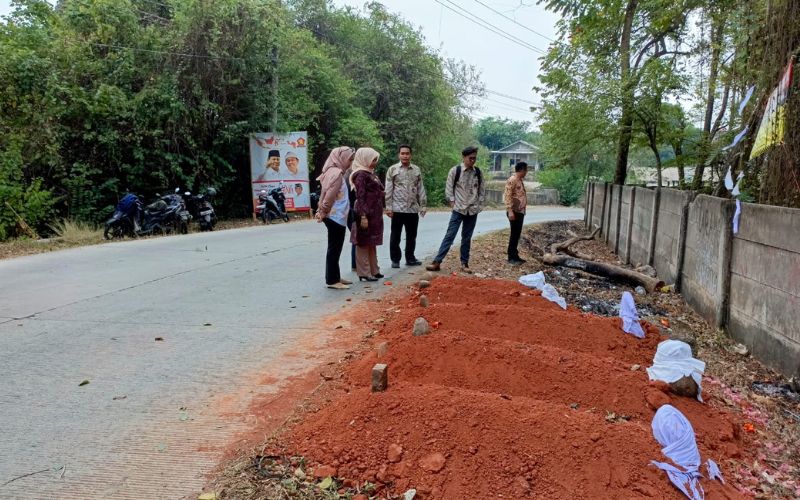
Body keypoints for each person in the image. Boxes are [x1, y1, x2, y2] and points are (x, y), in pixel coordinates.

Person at [426, 146, 486, 274]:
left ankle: (465, 263)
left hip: (472, 210)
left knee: (467, 237)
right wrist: (453, 203)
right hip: (458, 210)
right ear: (464, 157)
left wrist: (479, 206)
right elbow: (448, 189)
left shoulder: (478, 172)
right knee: (450, 235)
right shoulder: (455, 171)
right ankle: (437, 261)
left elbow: (482, 191)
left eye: (474, 158)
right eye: (470, 158)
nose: (472, 161)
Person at [315, 146, 356, 290]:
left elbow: (324, 193)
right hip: (335, 216)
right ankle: (332, 280)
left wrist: (321, 210)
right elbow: (329, 195)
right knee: (334, 248)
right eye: (349, 159)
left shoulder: (330, 171)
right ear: (341, 157)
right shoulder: (337, 174)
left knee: (335, 248)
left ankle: (335, 276)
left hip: (334, 215)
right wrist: (324, 211)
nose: (350, 162)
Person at [385, 144, 427, 268]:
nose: (405, 156)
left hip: (413, 209)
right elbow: (388, 189)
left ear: (411, 155)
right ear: (399, 155)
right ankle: (395, 259)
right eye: (402, 153)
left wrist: (423, 205)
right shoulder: (392, 169)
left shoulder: (416, 170)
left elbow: (421, 189)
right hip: (397, 208)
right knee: (395, 235)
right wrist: (388, 207)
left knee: (411, 236)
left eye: (407, 153)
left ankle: (410, 258)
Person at [350, 147, 385, 281]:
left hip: (375, 213)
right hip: (365, 212)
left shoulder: (370, 173)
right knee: (363, 242)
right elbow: (361, 195)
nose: (375, 162)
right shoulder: (360, 175)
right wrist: (363, 215)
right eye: (373, 159)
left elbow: (379, 190)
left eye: (376, 159)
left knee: (372, 241)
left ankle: (374, 270)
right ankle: (364, 273)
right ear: (364, 159)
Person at [504, 161, 528, 265]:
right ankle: (511, 257)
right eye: (526, 170)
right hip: (514, 212)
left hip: (520, 211)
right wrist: (510, 211)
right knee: (514, 234)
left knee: (517, 234)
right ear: (522, 170)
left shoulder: (520, 180)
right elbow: (507, 195)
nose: (526, 172)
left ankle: (515, 255)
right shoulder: (512, 180)